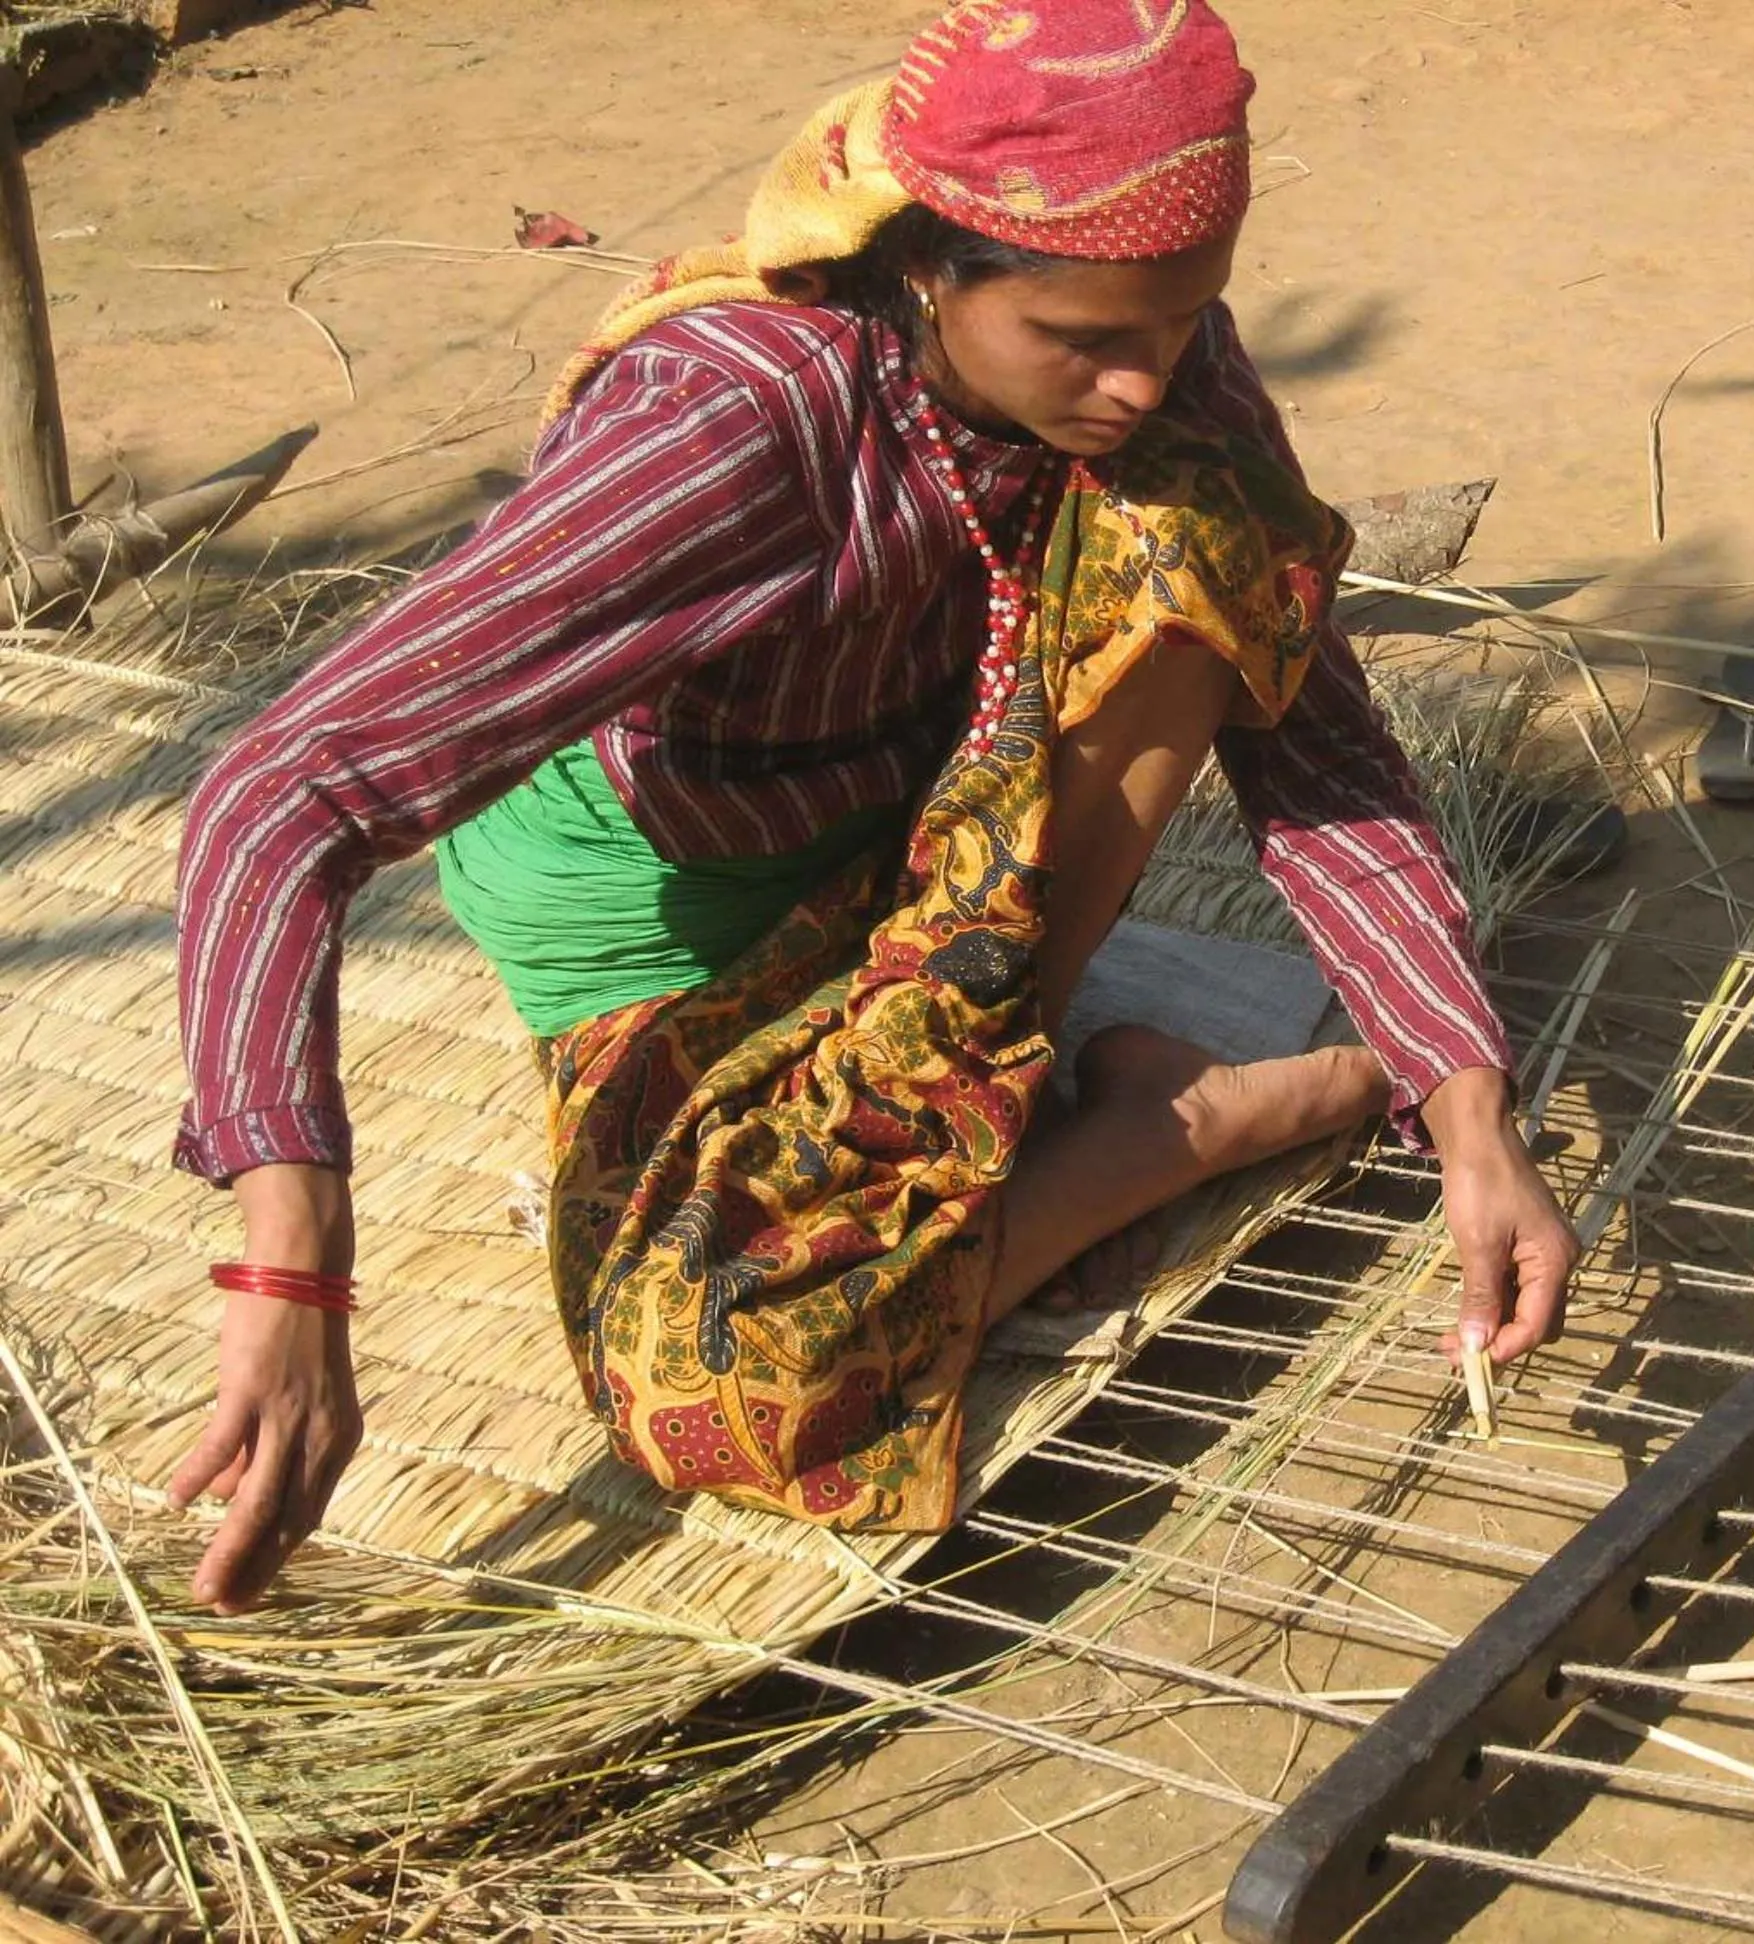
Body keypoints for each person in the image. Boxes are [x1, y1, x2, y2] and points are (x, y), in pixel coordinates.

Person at [167, 0, 1576, 1616]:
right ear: (927, 265)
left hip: (928, 853)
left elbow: (1309, 733)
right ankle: (1186, 1114)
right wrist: (290, 1260)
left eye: (1180, 322)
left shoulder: (1158, 370)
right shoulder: (734, 424)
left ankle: (1005, 1070)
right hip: (662, 908)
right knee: (726, 1387)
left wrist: (1467, 1105)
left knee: (1205, 520)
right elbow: (280, 796)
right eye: (1082, 338)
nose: (1141, 378)